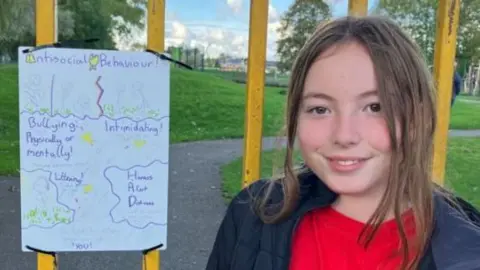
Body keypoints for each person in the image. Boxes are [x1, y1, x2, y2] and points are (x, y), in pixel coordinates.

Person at [206, 16, 480, 270]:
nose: (344, 135)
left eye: (375, 106)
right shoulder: (251, 214)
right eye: (320, 109)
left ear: (417, 118)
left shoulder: (469, 248)